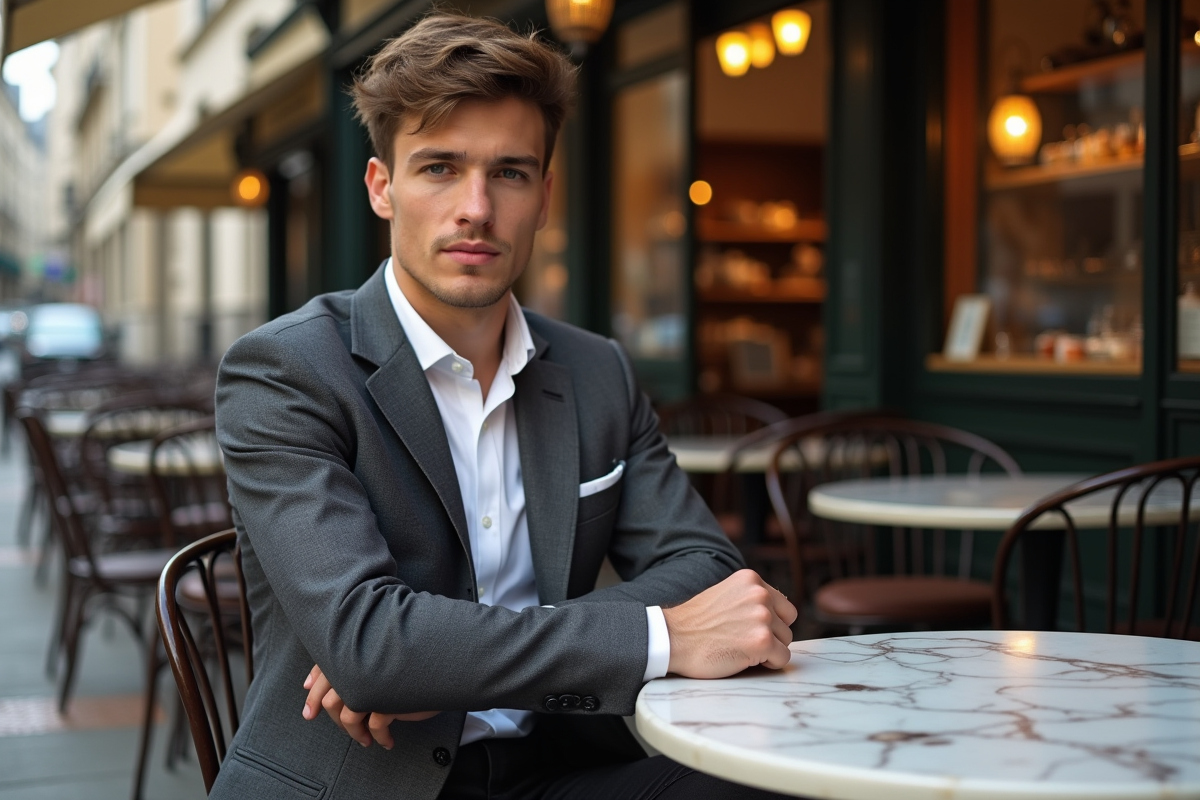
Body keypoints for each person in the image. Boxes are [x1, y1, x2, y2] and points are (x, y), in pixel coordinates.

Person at [212, 12, 798, 800]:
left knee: (777, 785)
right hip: (359, 782)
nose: (477, 208)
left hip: (556, 764)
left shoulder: (596, 371)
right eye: (440, 168)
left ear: (546, 195)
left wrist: (435, 657)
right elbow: (369, 647)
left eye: (510, 173)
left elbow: (705, 568)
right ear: (383, 189)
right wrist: (656, 635)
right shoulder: (287, 370)